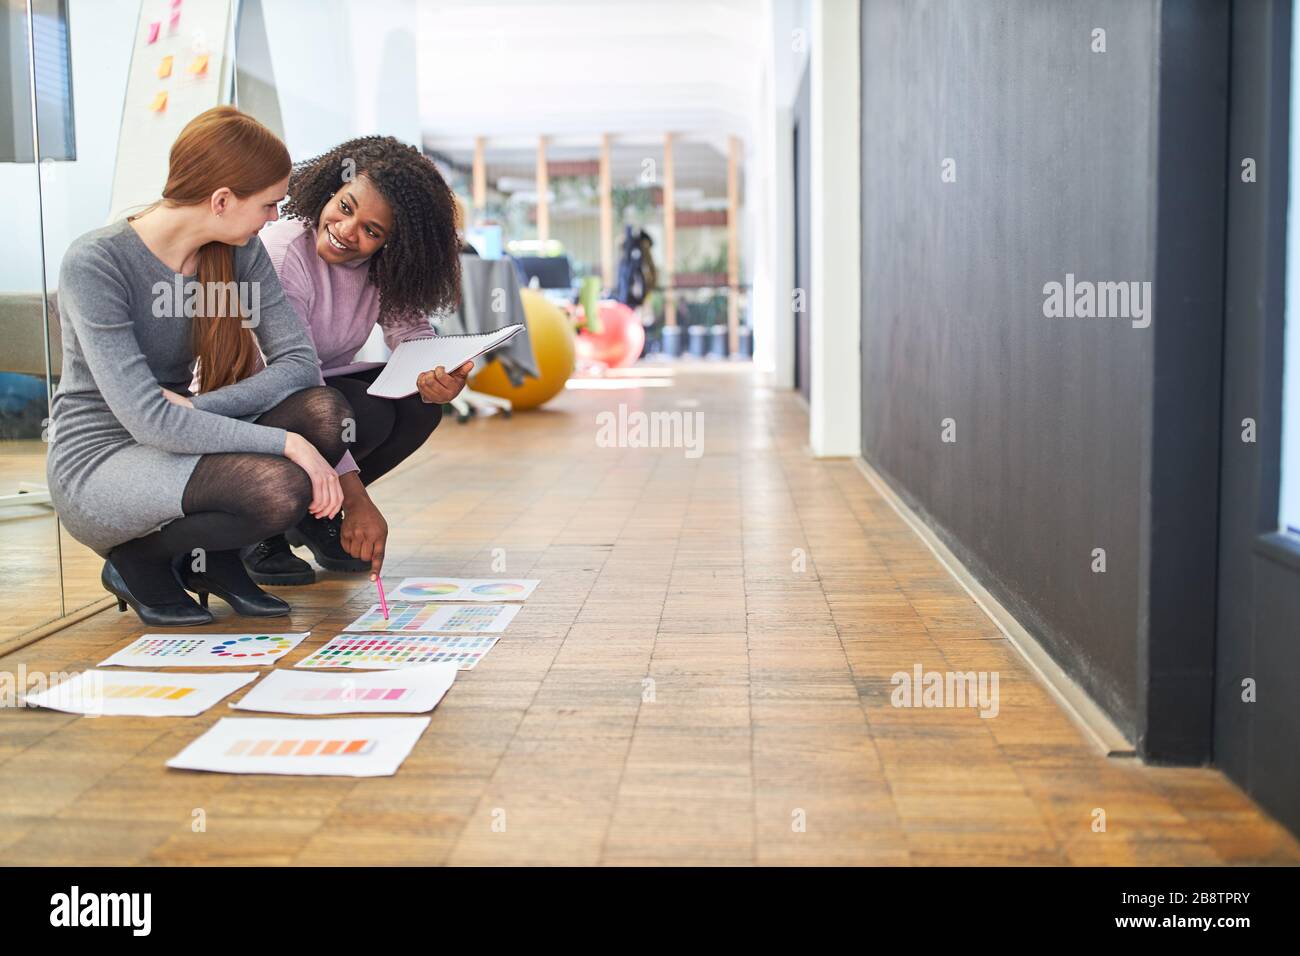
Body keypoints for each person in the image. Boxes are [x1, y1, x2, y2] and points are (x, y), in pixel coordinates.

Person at [46, 106, 352, 626]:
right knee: (280, 486)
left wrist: (197, 405)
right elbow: (146, 420)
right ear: (222, 200)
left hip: (177, 427)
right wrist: (286, 443)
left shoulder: (238, 250)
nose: (274, 218)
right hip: (100, 459)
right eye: (269, 203)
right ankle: (137, 560)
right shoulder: (96, 263)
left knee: (323, 412)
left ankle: (213, 556)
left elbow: (299, 364)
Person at [240, 136, 470, 585]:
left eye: (372, 230)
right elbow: (293, 381)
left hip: (314, 395)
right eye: (345, 208)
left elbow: (411, 333)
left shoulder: (381, 269)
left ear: (393, 244)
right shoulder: (285, 255)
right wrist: (357, 500)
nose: (348, 230)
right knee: (352, 411)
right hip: (256, 401)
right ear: (329, 190)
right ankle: (259, 527)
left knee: (416, 404)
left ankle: (310, 516)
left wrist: (440, 373)